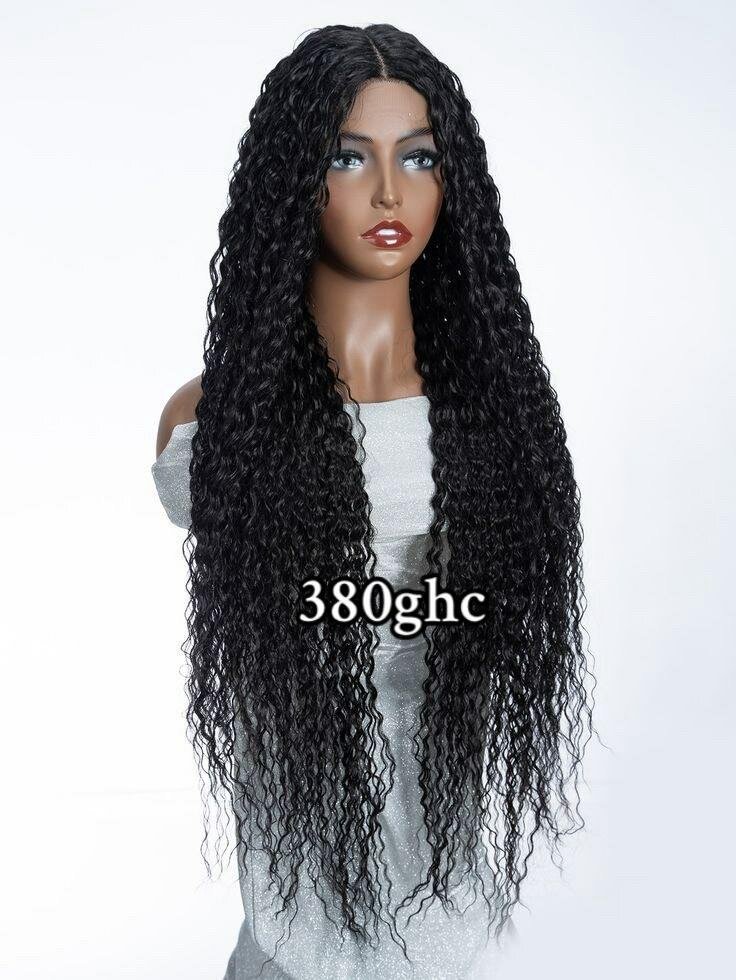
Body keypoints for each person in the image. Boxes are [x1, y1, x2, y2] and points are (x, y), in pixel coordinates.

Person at [151, 23, 596, 979]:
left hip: (439, 887)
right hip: (297, 891)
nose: (390, 193)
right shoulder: (212, 423)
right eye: (350, 157)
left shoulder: (496, 418)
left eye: (419, 157)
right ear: (292, 181)